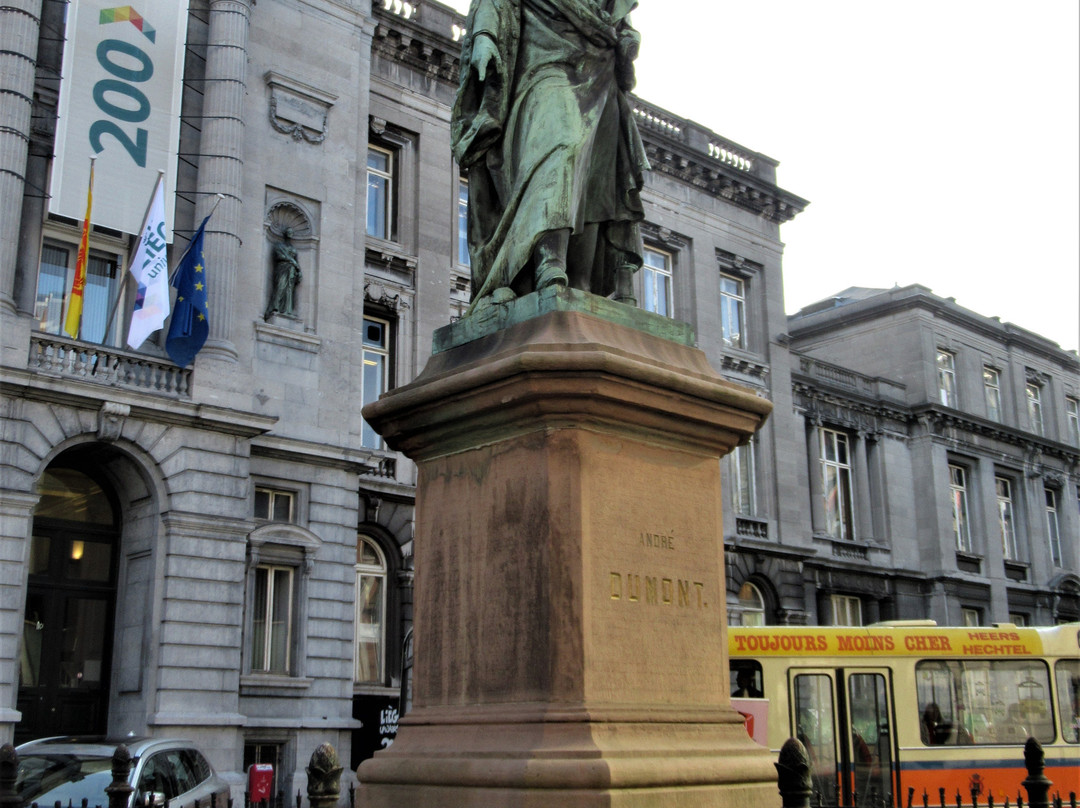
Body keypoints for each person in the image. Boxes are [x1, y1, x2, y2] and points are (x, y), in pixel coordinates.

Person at [451, 0, 649, 313]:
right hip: (543, 61)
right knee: (562, 144)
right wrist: (484, 35)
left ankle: (580, 280)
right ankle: (549, 260)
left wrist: (627, 38)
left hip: (599, 68)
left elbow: (619, 20)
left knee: (597, 177)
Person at [265, 229, 302, 319]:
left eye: (291, 232)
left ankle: (288, 310)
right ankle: (275, 308)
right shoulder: (279, 245)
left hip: (291, 270)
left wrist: (299, 272)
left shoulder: (293, 249)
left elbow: (296, 261)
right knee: (280, 287)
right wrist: (292, 261)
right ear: (285, 234)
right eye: (289, 232)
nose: (290, 234)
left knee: (289, 291)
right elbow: (279, 255)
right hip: (282, 268)